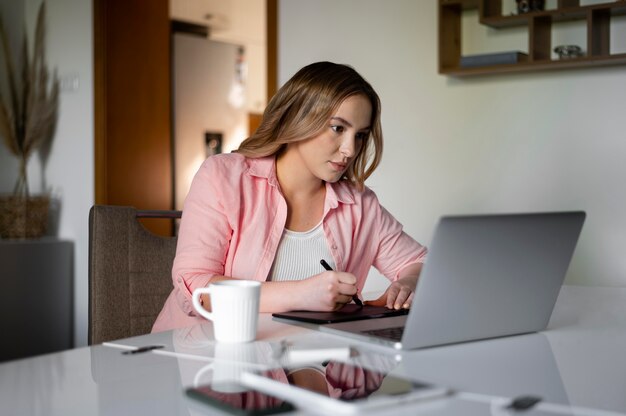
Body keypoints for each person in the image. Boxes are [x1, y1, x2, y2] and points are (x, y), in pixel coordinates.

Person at [152, 61, 427, 333]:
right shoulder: (222, 176)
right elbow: (196, 286)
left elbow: (422, 264)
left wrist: (409, 283)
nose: (349, 149)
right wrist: (301, 294)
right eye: (338, 128)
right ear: (299, 117)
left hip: (308, 360)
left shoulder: (360, 204)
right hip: (202, 357)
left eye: (360, 135)